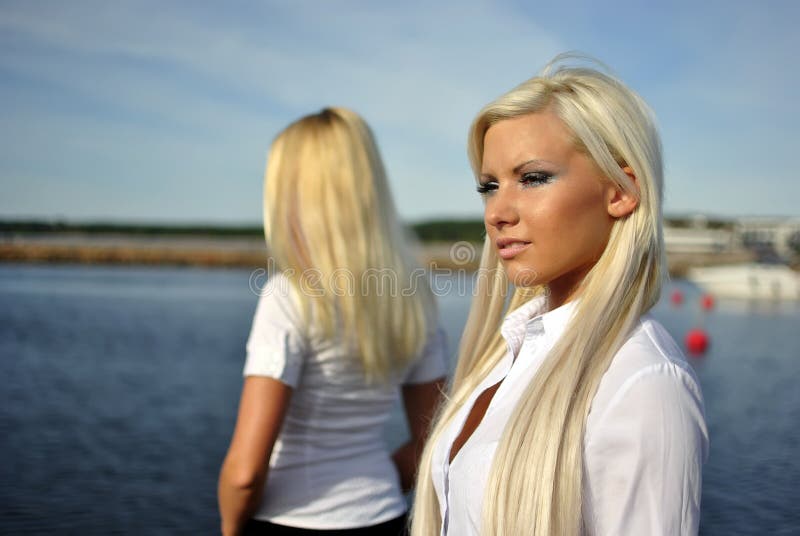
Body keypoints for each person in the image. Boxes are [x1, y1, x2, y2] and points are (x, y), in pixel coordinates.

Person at [411, 56, 709, 535]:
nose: (497, 213)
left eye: (532, 178)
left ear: (620, 190)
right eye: (489, 186)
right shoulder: (508, 349)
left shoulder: (643, 382)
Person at [218, 107, 447, 536]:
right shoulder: (415, 295)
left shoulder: (288, 296)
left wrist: (231, 529)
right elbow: (432, 442)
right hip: (384, 516)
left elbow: (244, 473)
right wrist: (372, 484)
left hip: (289, 520)